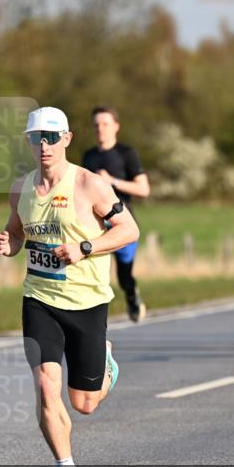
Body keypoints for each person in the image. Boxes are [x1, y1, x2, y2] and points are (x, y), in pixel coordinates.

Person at [0, 106, 140, 467]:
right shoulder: (20, 188)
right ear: (28, 142)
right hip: (39, 299)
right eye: (37, 138)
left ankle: (106, 364)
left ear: (67, 139)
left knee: (84, 404)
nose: (45, 145)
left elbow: (129, 230)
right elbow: (17, 234)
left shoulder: (90, 184)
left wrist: (85, 247)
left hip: (87, 302)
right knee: (45, 384)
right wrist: (7, 244)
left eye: (52, 137)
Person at [82, 106, 151, 322]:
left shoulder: (126, 153)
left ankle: (132, 296)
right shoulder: (89, 157)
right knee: (90, 273)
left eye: (105, 124)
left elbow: (144, 189)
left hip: (122, 223)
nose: (100, 129)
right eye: (96, 125)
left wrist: (112, 181)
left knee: (124, 275)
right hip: (95, 224)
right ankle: (89, 319)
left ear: (116, 127)